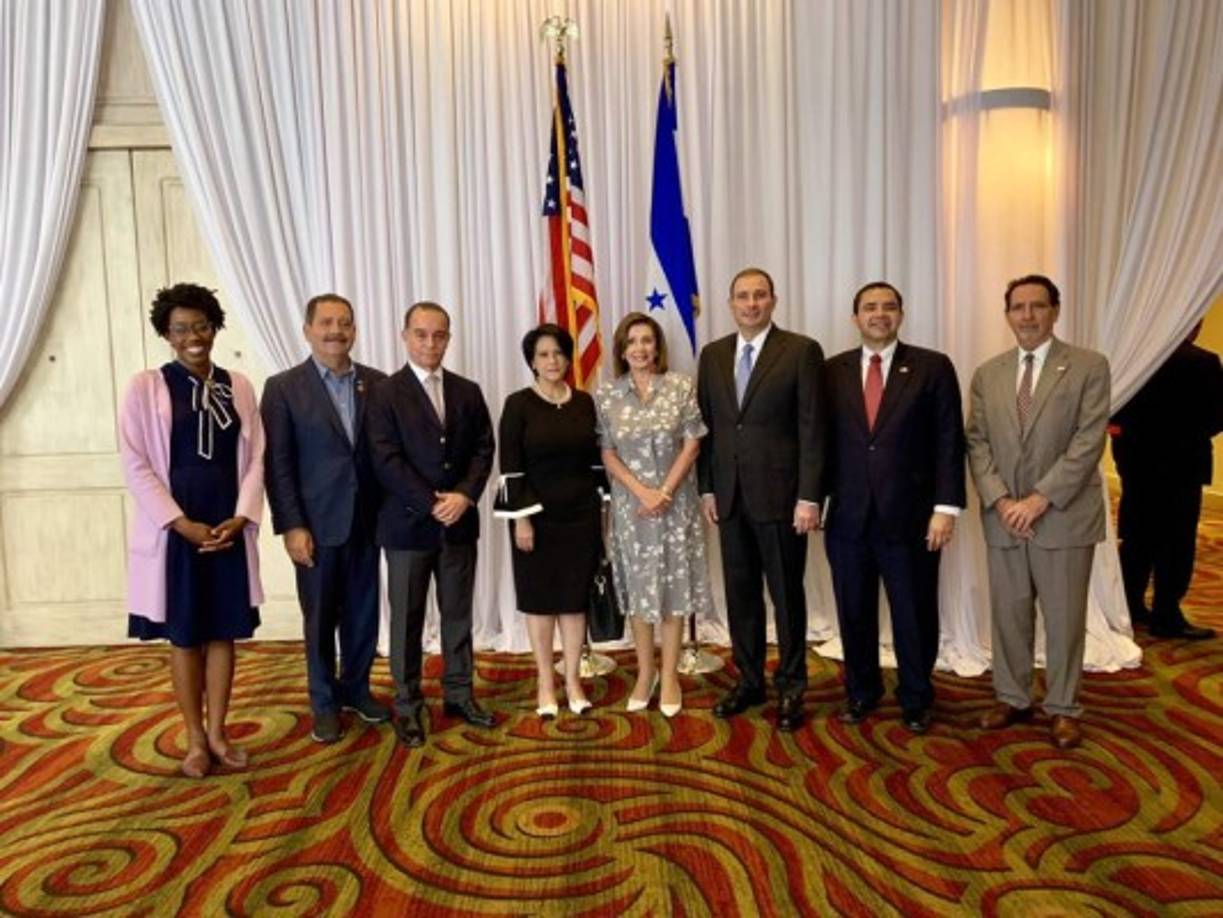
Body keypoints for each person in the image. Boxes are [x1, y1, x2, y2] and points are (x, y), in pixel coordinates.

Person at [118, 283, 263, 778]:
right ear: (166, 334)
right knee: (185, 636)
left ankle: (220, 733)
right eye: (181, 329)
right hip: (177, 531)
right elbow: (136, 463)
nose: (193, 336)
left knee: (223, 633)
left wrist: (241, 517)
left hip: (226, 527)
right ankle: (195, 741)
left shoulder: (238, 385)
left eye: (201, 326)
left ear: (214, 327)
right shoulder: (146, 386)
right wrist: (181, 524)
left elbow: (256, 456)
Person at [966, 274, 1110, 750]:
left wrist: (1039, 499)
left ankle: (1064, 707)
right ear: (1007, 314)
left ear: (1055, 310)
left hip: (1062, 515)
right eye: (1018, 307)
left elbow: (1089, 441)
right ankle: (1012, 696)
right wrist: (1002, 500)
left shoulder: (1089, 366)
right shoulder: (989, 373)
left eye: (1037, 306)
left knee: (1065, 616)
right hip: (1004, 515)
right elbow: (977, 441)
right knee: (1009, 613)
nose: (1027, 316)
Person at [824, 282, 966, 733]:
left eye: (888, 307)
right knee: (854, 611)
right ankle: (862, 692)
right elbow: (818, 442)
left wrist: (946, 507)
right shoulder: (831, 371)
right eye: (869, 308)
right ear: (855, 318)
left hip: (912, 518)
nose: (878, 314)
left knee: (914, 611)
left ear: (901, 314)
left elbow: (949, 440)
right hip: (847, 517)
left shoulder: (932, 367)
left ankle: (916, 698)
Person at [697, 267, 827, 732]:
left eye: (759, 296)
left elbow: (813, 429)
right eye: (742, 297)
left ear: (773, 300)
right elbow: (707, 429)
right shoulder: (712, 356)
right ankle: (749, 680)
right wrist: (707, 486)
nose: (751, 304)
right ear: (730, 303)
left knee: (786, 597)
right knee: (741, 595)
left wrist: (809, 497)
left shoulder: (800, 351)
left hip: (782, 499)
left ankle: (792, 687)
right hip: (729, 498)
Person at [365, 301, 495, 748]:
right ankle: (407, 703)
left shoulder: (468, 390)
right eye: (421, 334)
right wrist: (429, 502)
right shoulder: (384, 393)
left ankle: (459, 694)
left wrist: (464, 495)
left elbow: (483, 448)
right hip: (406, 527)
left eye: (439, 335)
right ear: (405, 336)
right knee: (407, 618)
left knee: (458, 613)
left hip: (459, 523)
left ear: (449, 338)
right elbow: (384, 457)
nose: (430, 343)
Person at [261, 293, 389, 744]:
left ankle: (357, 688)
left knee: (363, 612)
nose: (336, 330)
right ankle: (324, 701)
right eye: (327, 322)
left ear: (355, 330)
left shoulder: (377, 383)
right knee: (319, 618)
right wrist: (291, 525)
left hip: (367, 521)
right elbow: (278, 464)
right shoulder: (283, 388)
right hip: (314, 525)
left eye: (345, 323)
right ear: (308, 329)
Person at [596, 312, 711, 717]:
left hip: (675, 506)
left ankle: (671, 675)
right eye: (632, 342)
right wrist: (642, 491)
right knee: (641, 595)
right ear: (622, 350)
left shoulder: (680, 386)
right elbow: (607, 451)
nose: (640, 349)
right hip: (631, 510)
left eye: (647, 341)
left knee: (672, 595)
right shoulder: (607, 395)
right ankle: (645, 674)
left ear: (657, 346)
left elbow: (692, 442)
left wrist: (663, 491)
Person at [495, 324, 605, 717]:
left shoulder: (585, 403)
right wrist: (521, 521)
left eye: (558, 353)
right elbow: (510, 468)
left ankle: (573, 680)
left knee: (574, 604)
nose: (552, 361)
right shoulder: (518, 404)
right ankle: (545, 682)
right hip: (535, 521)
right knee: (541, 605)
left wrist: (603, 514)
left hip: (582, 518)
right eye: (543, 354)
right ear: (532, 361)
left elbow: (597, 464)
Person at [1110, 322, 1222, 640]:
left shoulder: (1136, 359)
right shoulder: (1204, 362)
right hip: (1183, 467)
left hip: (1137, 466)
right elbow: (1217, 417)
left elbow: (1115, 415)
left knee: (1136, 538)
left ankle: (1131, 604)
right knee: (1176, 542)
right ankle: (1167, 614)